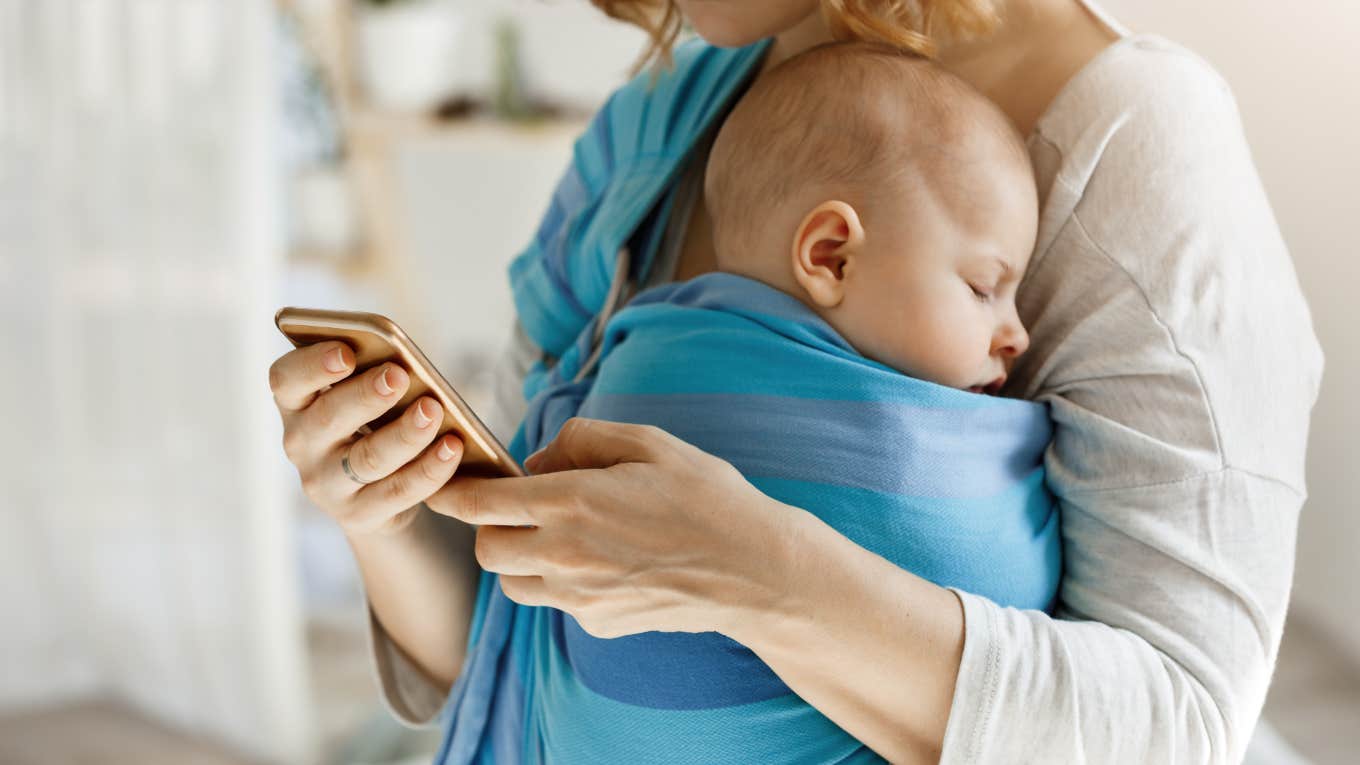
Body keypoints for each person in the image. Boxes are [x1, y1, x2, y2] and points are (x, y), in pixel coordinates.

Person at [267, 1, 1324, 762]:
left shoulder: (1133, 149)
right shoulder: (655, 132)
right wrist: (388, 508)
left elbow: (1181, 733)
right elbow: (514, 658)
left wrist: (757, 570)